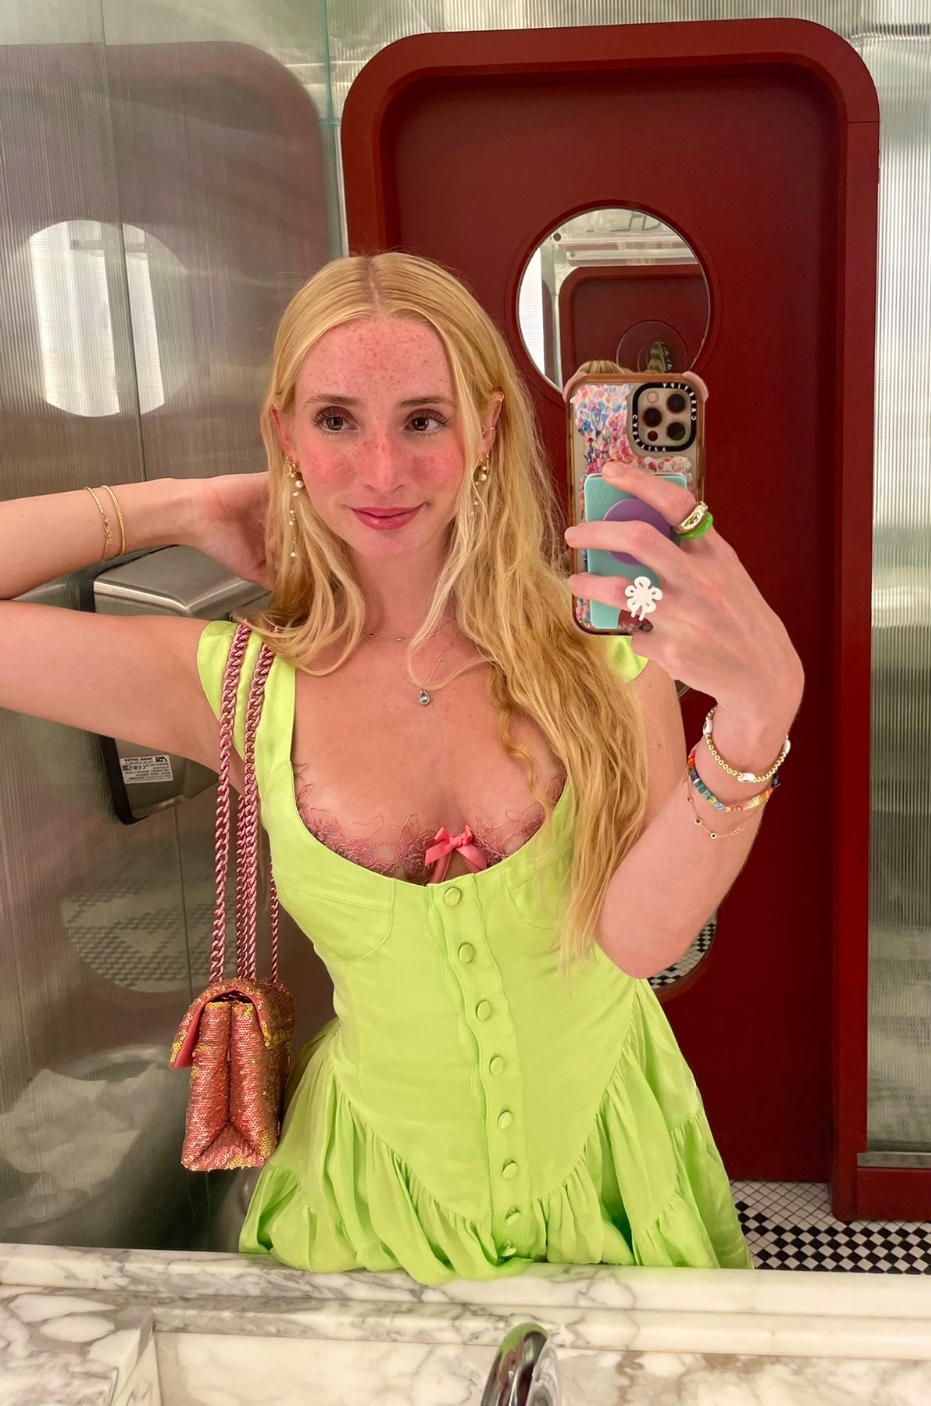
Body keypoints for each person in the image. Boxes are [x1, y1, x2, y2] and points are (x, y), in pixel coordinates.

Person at [0, 253, 805, 1281]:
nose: (382, 471)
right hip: (368, 1207)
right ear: (285, 435)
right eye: (336, 420)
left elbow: (645, 940)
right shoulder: (236, 683)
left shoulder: (603, 635)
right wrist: (180, 504)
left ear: (487, 431)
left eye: (424, 419)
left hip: (612, 1176)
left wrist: (754, 723)